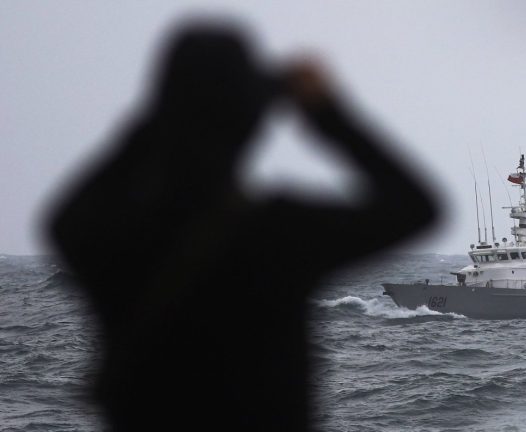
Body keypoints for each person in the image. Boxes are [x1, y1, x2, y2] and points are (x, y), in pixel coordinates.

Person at [46, 21, 437, 431]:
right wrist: (326, 112)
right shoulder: (279, 234)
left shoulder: (113, 237)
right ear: (251, 119)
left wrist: (167, 111)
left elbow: (62, 219)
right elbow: (415, 206)